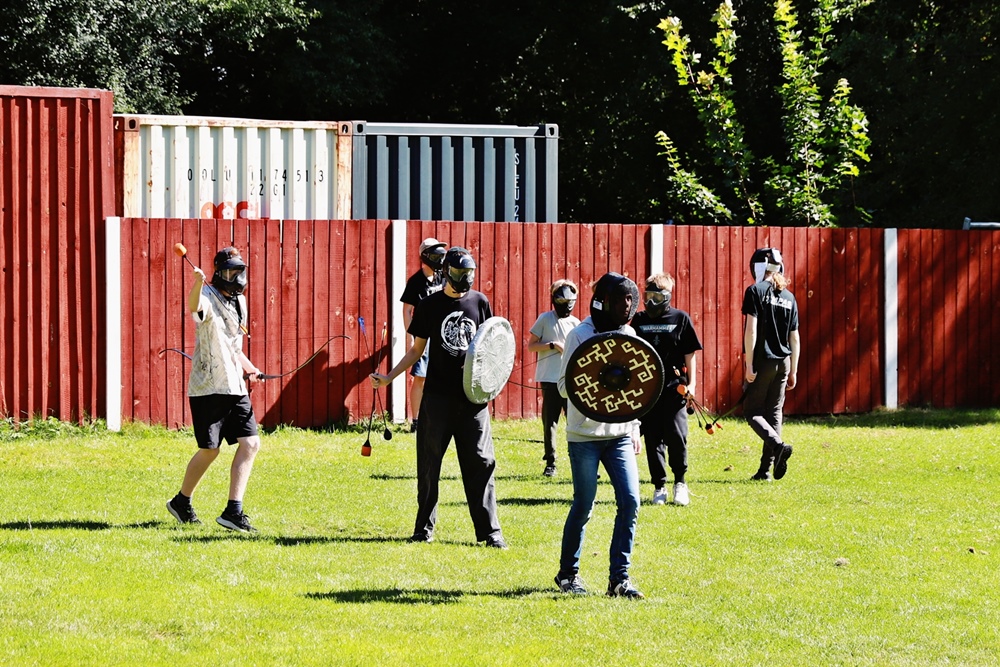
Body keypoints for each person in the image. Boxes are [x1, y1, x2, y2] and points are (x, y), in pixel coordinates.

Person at [370, 247, 507, 548]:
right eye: (459, 273)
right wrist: (389, 377)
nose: (465, 278)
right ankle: (423, 528)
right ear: (447, 272)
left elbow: (492, 347)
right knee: (429, 465)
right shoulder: (429, 305)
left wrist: (491, 381)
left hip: (473, 402)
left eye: (469, 273)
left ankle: (491, 532)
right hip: (437, 400)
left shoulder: (480, 302)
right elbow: (416, 350)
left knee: (482, 463)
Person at [555, 272, 645, 599]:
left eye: (630, 299)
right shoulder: (580, 335)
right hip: (584, 435)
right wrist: (596, 382)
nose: (626, 305)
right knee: (584, 504)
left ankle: (619, 580)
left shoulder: (629, 334)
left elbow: (635, 386)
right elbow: (564, 386)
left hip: (619, 434)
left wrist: (633, 427)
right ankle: (568, 575)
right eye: (620, 299)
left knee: (631, 501)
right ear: (604, 301)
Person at [166, 246, 264, 533]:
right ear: (220, 273)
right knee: (210, 450)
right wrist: (197, 283)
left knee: (251, 443)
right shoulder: (207, 296)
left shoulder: (240, 303)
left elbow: (234, 345)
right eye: (232, 272)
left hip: (235, 385)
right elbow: (194, 308)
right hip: (208, 386)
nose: (238, 277)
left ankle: (234, 511)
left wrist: (250, 368)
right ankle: (181, 502)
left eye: (240, 271)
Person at [631, 273, 703, 506]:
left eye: (657, 297)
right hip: (648, 389)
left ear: (668, 296)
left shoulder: (680, 318)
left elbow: (690, 354)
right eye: (648, 296)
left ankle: (680, 482)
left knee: (677, 435)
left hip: (675, 388)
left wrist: (691, 384)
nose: (651, 301)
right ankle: (659, 486)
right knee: (653, 439)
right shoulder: (638, 320)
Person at [743, 247, 800, 481]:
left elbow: (751, 331)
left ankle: (778, 446)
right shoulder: (789, 297)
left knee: (752, 412)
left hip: (763, 361)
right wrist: (794, 369)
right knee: (774, 413)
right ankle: (765, 471)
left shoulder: (754, 291)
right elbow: (794, 338)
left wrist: (749, 364)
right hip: (784, 362)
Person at [527, 279, 580, 477]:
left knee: (574, 421)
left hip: (570, 379)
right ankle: (551, 462)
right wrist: (552, 345)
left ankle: (579, 460)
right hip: (550, 378)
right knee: (550, 421)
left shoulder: (576, 323)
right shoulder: (545, 319)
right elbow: (531, 345)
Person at [400, 237, 447, 432]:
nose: (440, 259)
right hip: (424, 337)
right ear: (425, 256)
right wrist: (411, 335)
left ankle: (439, 418)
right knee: (420, 377)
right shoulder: (416, 282)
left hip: (442, 335)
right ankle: (416, 421)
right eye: (435, 255)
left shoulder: (443, 277)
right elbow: (407, 310)